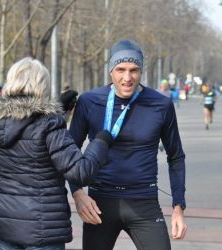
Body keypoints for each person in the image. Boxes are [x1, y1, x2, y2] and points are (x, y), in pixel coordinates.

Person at [0, 57, 113, 250]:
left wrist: (57, 110)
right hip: (42, 228)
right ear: (42, 85)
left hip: (5, 223)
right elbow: (81, 172)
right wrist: (101, 142)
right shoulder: (49, 124)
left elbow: (25, 125)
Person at [69, 39, 187, 250]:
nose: (127, 77)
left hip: (144, 201)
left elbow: (176, 156)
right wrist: (78, 194)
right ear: (111, 71)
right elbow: (69, 153)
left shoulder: (161, 105)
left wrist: (178, 206)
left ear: (141, 71)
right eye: (120, 69)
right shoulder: (89, 101)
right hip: (99, 203)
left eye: (134, 70)